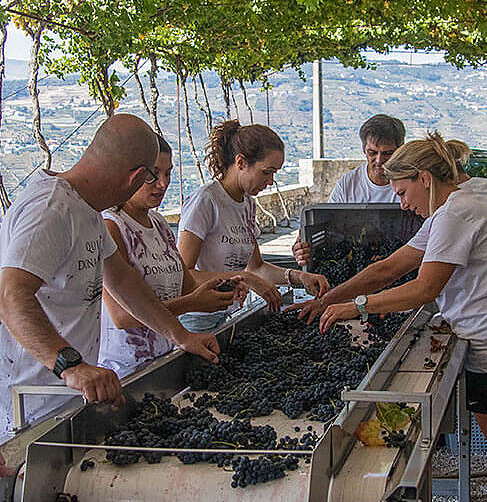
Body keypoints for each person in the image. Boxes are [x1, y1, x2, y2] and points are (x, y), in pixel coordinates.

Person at [293, 165, 487, 472]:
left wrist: (358, 305)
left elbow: (423, 287)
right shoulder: (470, 199)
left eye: (403, 192)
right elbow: (388, 269)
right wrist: (328, 300)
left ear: (425, 177)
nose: (403, 205)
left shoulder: (453, 214)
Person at [0, 114, 220, 444]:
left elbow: (124, 282)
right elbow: (10, 296)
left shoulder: (86, 208)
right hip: (29, 404)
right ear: (135, 176)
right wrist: (71, 366)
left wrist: (180, 335)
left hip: (65, 396)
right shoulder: (51, 209)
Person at [100, 134, 270, 377]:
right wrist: (193, 303)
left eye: (168, 174)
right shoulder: (111, 227)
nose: (162, 184)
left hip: (165, 357)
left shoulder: (159, 224)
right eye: (152, 175)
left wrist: (225, 287)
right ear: (128, 173)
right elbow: (123, 317)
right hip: (125, 368)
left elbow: (186, 284)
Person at [177, 120, 329, 330]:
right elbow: (183, 275)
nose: (270, 181)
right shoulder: (206, 201)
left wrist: (300, 276)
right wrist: (245, 278)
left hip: (230, 313)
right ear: (240, 162)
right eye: (266, 172)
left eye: (274, 173)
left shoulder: (247, 204)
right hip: (197, 319)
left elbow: (257, 268)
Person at [292, 114, 406, 266]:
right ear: (364, 150)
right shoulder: (348, 184)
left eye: (387, 153)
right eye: (372, 153)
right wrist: (302, 247)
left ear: (400, 150)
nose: (379, 161)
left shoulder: (411, 183)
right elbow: (328, 226)